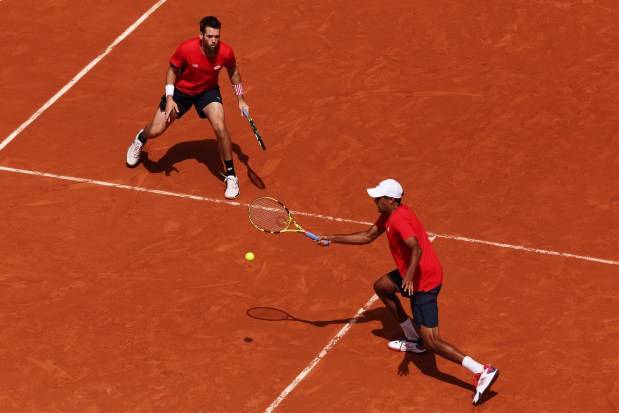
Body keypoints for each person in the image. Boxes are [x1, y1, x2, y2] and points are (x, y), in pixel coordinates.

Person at [316, 179, 499, 406]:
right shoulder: (391, 213)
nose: (374, 200)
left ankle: (482, 370)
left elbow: (416, 247)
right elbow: (367, 236)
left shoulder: (399, 219)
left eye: (378, 197)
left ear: (391, 200)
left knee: (432, 341)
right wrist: (332, 238)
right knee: (381, 287)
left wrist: (410, 277)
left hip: (424, 281)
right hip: (413, 274)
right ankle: (412, 338)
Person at [126, 16, 249, 199]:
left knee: (220, 127)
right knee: (157, 129)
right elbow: (172, 71)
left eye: (216, 36)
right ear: (201, 35)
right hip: (181, 92)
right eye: (209, 36)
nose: (214, 41)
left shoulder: (225, 52)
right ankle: (140, 138)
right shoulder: (186, 48)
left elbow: (233, 71)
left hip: (207, 91)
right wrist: (170, 98)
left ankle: (230, 175)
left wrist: (241, 98)